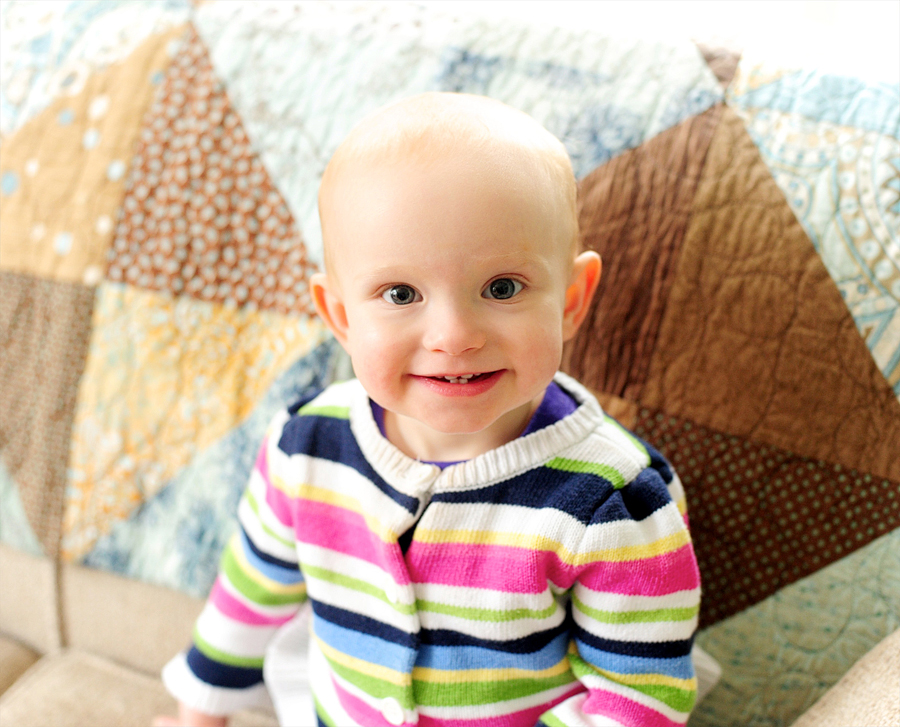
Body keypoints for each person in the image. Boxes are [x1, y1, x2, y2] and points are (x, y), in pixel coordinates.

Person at [155, 92, 701, 727]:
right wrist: (200, 713)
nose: (453, 335)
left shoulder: (613, 500)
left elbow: (637, 698)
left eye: (502, 288)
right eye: (400, 292)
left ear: (572, 300)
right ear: (340, 316)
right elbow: (251, 590)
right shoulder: (306, 447)